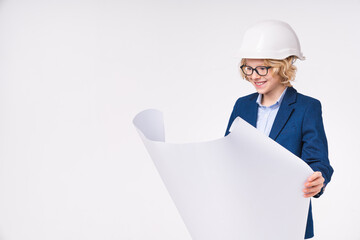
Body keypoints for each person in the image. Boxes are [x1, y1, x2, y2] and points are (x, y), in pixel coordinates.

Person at [224, 20, 334, 239]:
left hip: (288, 217)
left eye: (262, 68)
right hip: (244, 216)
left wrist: (318, 178)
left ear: (282, 66)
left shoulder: (307, 108)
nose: (254, 75)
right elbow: (227, 155)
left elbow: (319, 161)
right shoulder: (242, 105)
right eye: (248, 68)